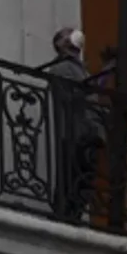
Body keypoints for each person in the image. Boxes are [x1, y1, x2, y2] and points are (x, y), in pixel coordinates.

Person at [39, 28, 108, 223]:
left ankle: (72, 215)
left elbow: (91, 89)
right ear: (59, 43)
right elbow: (73, 96)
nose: (73, 33)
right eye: (66, 33)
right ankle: (64, 215)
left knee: (85, 178)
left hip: (89, 131)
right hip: (75, 132)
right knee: (71, 176)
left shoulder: (80, 69)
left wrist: (106, 69)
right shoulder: (62, 68)